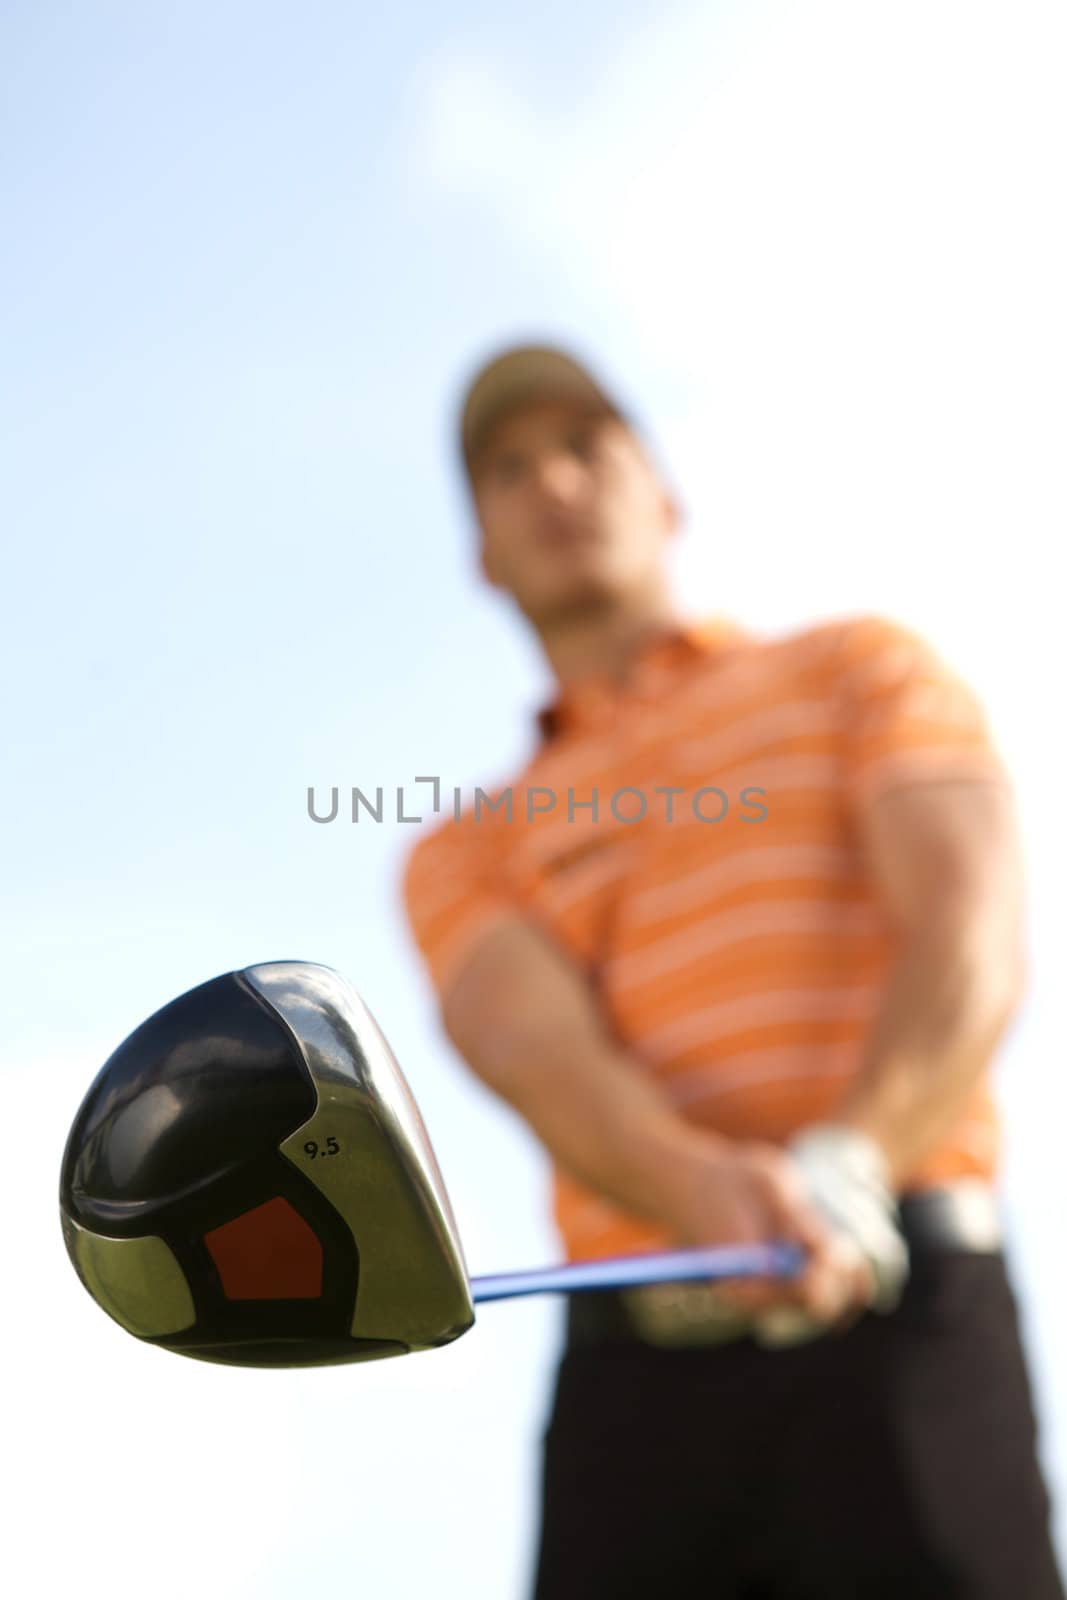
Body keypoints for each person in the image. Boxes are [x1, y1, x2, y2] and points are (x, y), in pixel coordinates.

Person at [400, 341, 1064, 1598]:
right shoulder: (460, 844)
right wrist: (698, 1184)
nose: (550, 480)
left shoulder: (857, 668)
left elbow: (970, 923)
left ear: (664, 492)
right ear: (482, 551)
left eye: (585, 445)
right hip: (635, 1394)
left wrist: (849, 1157)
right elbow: (539, 1057)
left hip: (906, 1321)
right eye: (506, 467)